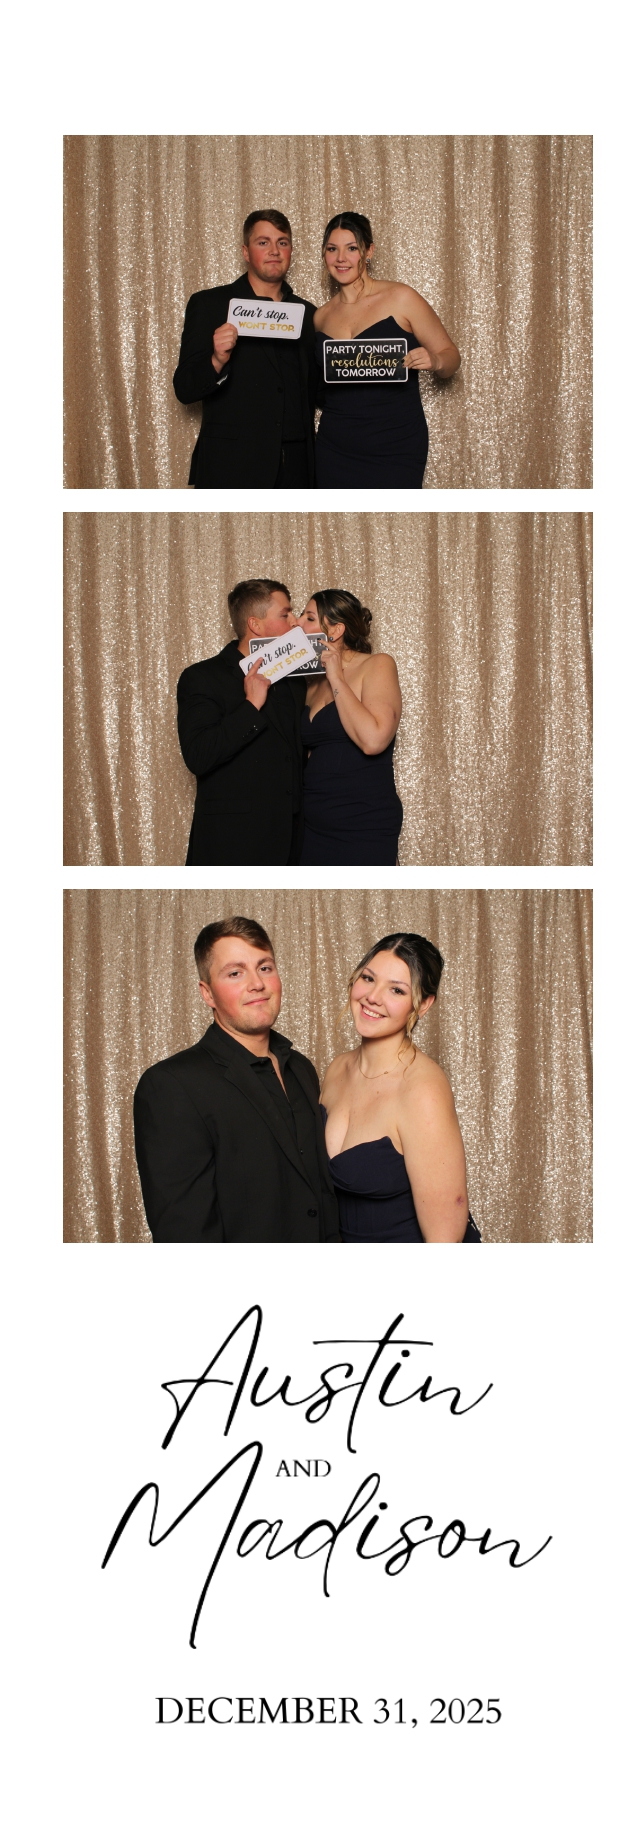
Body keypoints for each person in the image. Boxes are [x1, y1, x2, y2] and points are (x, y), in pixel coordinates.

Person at [134, 918, 340, 1244]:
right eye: (235, 973)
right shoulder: (171, 1085)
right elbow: (185, 1234)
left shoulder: (301, 1068)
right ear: (208, 994)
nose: (257, 983)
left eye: (265, 968)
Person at [320, 932, 481, 1243]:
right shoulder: (337, 1069)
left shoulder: (423, 1090)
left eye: (396, 989)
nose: (373, 997)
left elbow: (445, 1239)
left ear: (423, 1004)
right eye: (368, 978)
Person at [314, 212, 460, 488]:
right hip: (334, 447)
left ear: (369, 251)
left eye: (351, 248)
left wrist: (436, 359)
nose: (341, 258)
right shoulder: (321, 317)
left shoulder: (401, 298)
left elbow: (452, 357)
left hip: (396, 447)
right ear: (324, 254)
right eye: (332, 249)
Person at [173, 211, 318, 487]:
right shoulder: (210, 305)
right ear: (245, 252)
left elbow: (318, 391)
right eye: (263, 242)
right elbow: (184, 389)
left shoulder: (309, 314)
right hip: (231, 468)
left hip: (295, 471)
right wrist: (216, 360)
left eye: (282, 242)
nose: (274, 251)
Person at [177, 578, 307, 866]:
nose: (296, 622)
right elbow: (199, 755)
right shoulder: (203, 677)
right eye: (285, 614)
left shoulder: (295, 682)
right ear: (255, 625)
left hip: (291, 845)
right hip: (232, 843)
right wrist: (251, 706)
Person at [297, 591, 403, 865]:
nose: (297, 623)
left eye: (309, 618)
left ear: (336, 630)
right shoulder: (311, 682)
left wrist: (336, 677)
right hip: (312, 825)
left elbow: (373, 741)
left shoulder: (377, 664)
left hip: (363, 823)